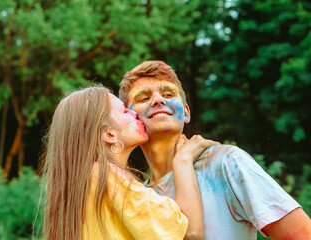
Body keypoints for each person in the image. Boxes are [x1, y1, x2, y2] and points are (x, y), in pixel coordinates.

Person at [119, 61, 311, 240]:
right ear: (129, 118)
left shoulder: (225, 163)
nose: (158, 100)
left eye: (168, 94)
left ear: (186, 112)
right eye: (144, 97)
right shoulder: (139, 197)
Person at [40, 86, 219, 240]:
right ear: (109, 134)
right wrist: (183, 161)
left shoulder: (80, 183)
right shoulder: (106, 177)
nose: (134, 113)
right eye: (125, 111)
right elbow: (191, 233)